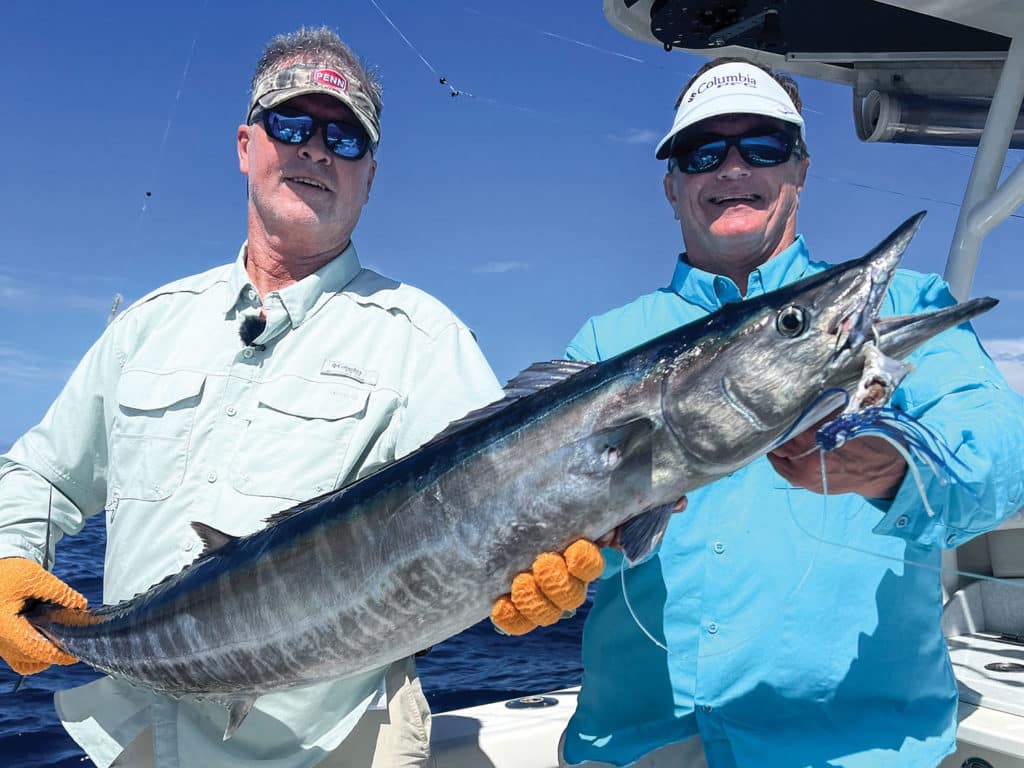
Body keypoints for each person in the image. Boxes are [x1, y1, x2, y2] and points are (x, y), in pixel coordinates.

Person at [491, 58, 1024, 767]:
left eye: (763, 147)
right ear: (673, 186)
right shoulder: (603, 346)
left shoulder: (901, 306)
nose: (732, 168)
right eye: (702, 152)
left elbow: (1005, 457)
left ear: (800, 168)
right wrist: (540, 577)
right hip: (639, 747)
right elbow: (534, 525)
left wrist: (896, 470)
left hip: (852, 749)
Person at [0, 26, 502, 768]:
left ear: (370, 175)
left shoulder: (425, 339)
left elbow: (498, 505)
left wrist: (534, 565)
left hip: (336, 743)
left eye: (346, 137)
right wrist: (7, 555)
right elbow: (42, 475)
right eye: (291, 125)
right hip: (142, 735)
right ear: (245, 146)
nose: (316, 149)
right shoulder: (145, 328)